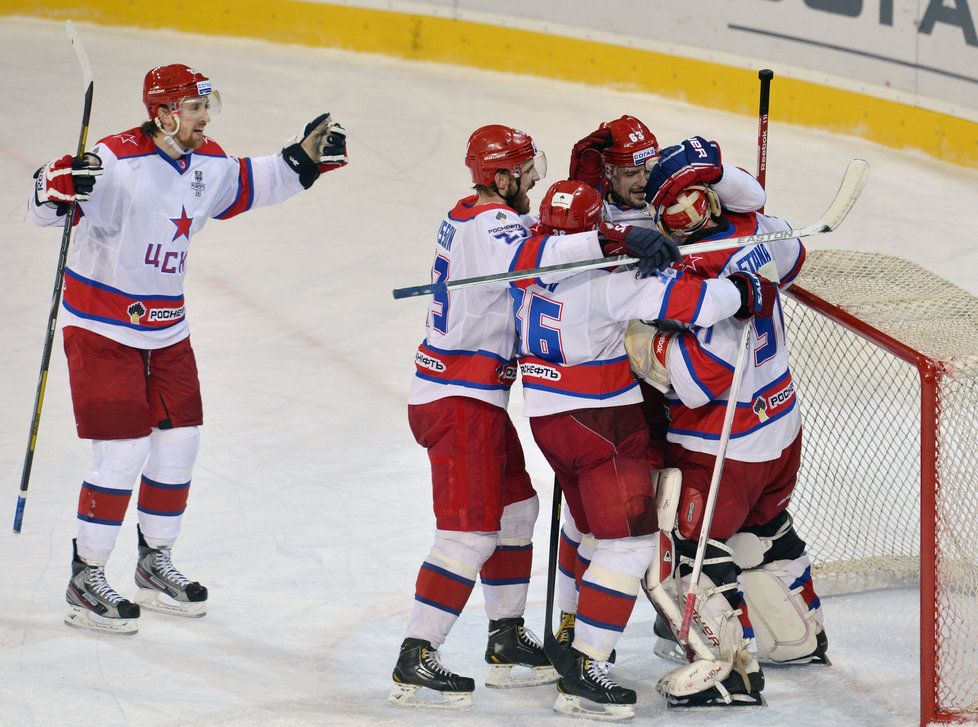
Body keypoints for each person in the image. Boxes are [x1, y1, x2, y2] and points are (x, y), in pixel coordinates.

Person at [27, 64, 348, 635]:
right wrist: (51, 185)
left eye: (207, 107)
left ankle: (153, 565)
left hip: (167, 329)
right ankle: (86, 575)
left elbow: (252, 181)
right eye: (196, 108)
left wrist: (305, 157)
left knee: (180, 445)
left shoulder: (207, 160)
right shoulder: (114, 158)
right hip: (103, 328)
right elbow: (49, 207)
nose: (206, 118)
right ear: (164, 113)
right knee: (122, 455)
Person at [389, 125, 682, 711]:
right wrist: (613, 243)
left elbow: (551, 230)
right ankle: (416, 656)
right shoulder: (494, 224)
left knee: (516, 510)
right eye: (526, 171)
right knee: (468, 532)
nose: (533, 180)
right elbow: (535, 254)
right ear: (500, 177)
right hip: (458, 398)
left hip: (469, 394)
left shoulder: (471, 214)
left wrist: (602, 214)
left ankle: (505, 639)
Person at [514, 179, 776, 721]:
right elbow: (698, 302)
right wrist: (746, 292)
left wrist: (615, 241)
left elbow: (577, 240)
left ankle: (570, 640)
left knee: (588, 534)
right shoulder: (609, 285)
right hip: (602, 424)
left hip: (548, 420)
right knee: (631, 547)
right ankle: (586, 668)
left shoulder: (527, 263)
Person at [553, 124, 769, 646]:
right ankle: (570, 619)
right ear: (606, 173)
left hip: (668, 388)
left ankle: (672, 610)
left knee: (667, 509)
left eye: (648, 168)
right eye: (629, 171)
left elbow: (754, 198)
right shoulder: (592, 216)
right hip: (615, 387)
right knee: (595, 518)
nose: (642, 181)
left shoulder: (669, 196)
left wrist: (709, 167)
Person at [627, 166, 827, 709]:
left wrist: (642, 337)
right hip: (780, 428)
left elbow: (697, 380)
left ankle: (727, 672)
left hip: (723, 445)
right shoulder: (759, 233)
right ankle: (797, 637)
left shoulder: (695, 274)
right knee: (760, 532)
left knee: (684, 554)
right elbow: (794, 257)